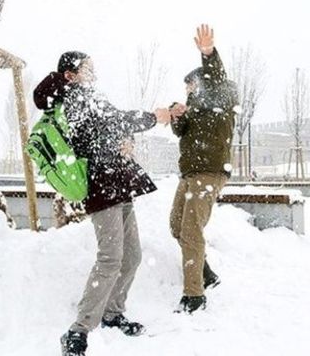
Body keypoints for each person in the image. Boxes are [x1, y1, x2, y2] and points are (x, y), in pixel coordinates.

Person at [33, 51, 172, 356]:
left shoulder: (89, 96)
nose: (93, 73)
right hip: (102, 186)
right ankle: (78, 331)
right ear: (71, 74)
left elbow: (112, 125)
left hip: (119, 184)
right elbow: (116, 120)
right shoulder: (72, 97)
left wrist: (127, 141)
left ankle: (112, 313)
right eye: (87, 69)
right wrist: (154, 117)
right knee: (110, 258)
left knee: (132, 256)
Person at [169, 24, 238, 314]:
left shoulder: (221, 95)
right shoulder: (194, 107)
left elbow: (216, 77)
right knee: (177, 226)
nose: (188, 91)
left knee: (191, 231)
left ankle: (194, 295)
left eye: (191, 86)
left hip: (209, 173)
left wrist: (208, 53)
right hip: (190, 174)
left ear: (202, 82)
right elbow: (180, 131)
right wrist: (176, 114)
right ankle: (205, 272)